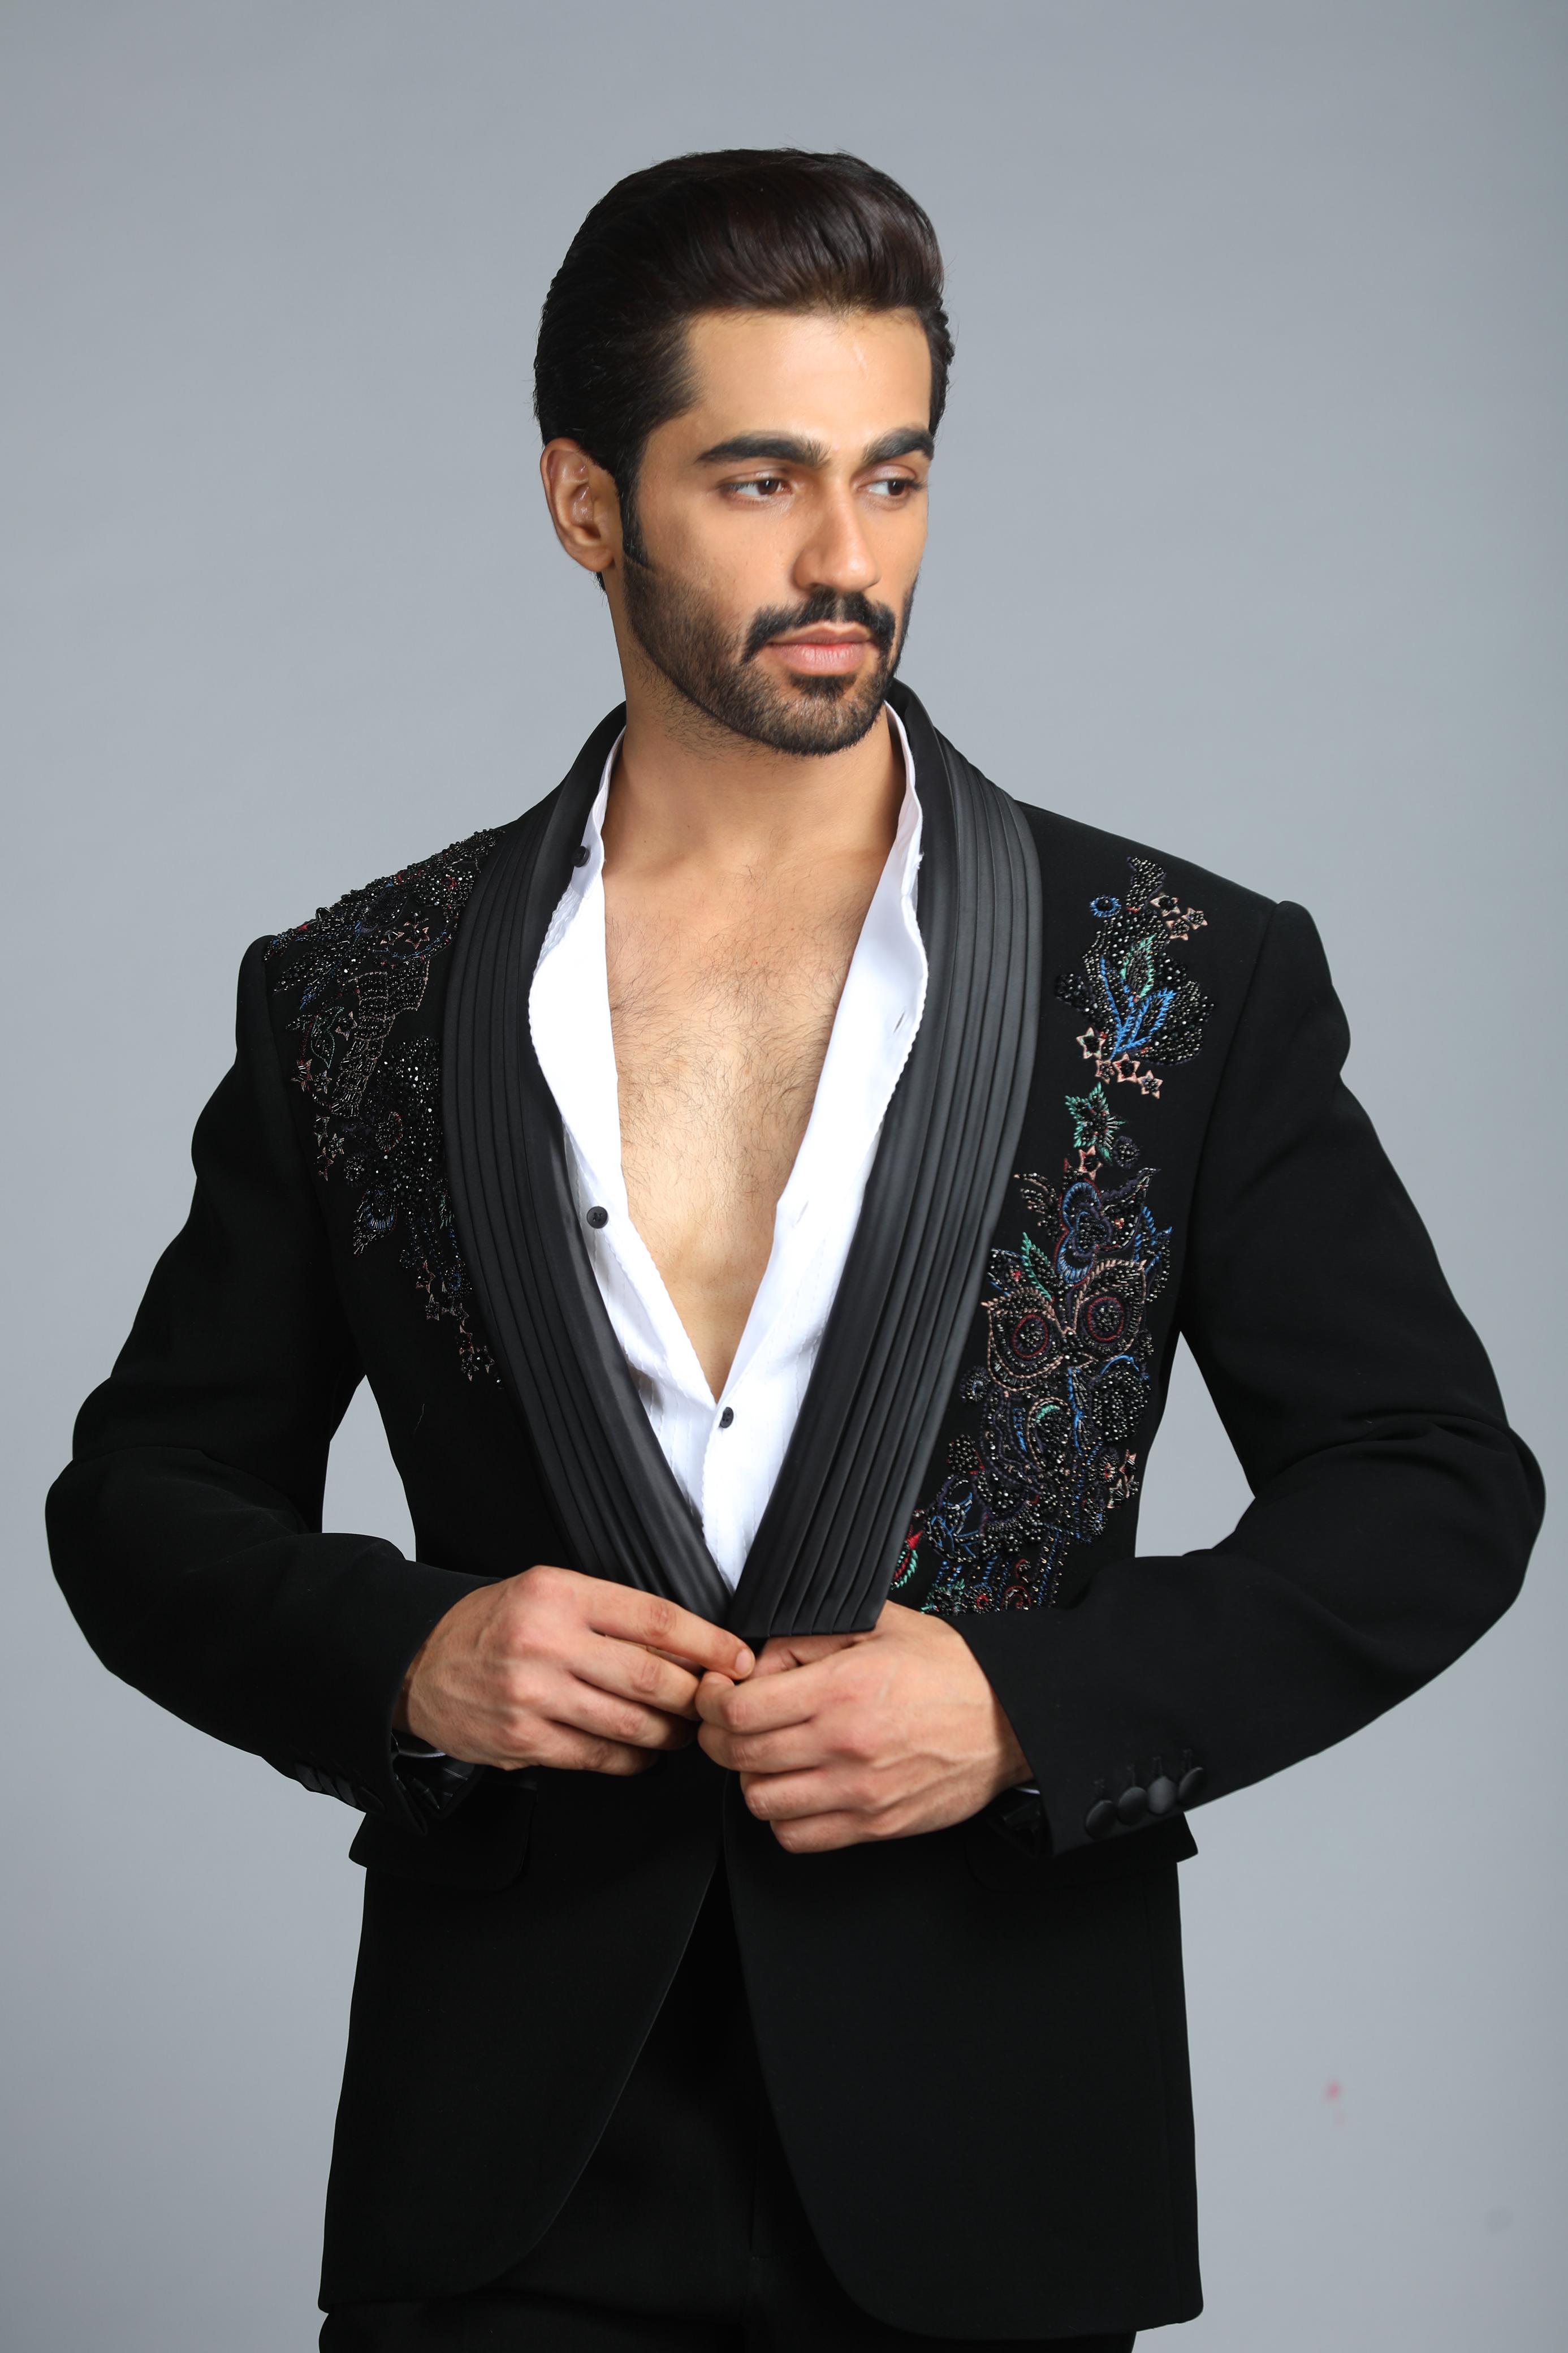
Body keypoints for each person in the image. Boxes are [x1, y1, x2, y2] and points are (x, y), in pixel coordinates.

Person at [46, 148, 1543, 2352]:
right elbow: (144, 1499)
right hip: (507, 2183)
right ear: (585, 503)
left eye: (893, 476)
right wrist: (410, 1656)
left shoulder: (1178, 977)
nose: (848, 558)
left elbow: (1435, 1483)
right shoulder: (358, 996)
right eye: (760, 481)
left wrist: (1025, 1708)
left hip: (995, 2164)